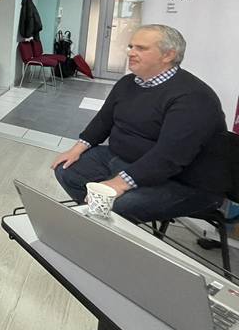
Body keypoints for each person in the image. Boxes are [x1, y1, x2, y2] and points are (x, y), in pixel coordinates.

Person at [52, 24, 228, 222]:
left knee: (116, 205)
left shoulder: (193, 97)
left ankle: (104, 224)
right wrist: (77, 149)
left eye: (141, 48)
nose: (130, 53)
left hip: (181, 180)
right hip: (122, 159)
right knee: (66, 170)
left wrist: (119, 183)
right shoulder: (128, 83)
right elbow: (102, 121)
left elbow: (170, 157)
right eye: (131, 46)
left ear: (168, 55)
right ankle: (98, 221)